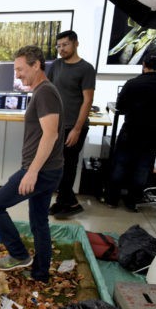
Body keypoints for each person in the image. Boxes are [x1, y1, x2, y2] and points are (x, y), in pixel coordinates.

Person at [0, 46, 64, 282]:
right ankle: (40, 273)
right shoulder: (41, 91)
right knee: (39, 221)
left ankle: (19, 255)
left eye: (20, 69)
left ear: (36, 65)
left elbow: (50, 135)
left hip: (41, 171)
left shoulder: (45, 92)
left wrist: (31, 172)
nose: (17, 75)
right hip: (47, 169)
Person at [105, 52, 156, 211]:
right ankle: (132, 202)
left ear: (144, 65)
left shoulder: (132, 84)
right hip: (154, 135)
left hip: (131, 132)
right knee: (143, 168)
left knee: (120, 165)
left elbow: (120, 106)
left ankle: (112, 200)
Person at [46, 30, 96, 219]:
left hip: (73, 127)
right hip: (56, 125)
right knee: (56, 165)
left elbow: (88, 100)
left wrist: (76, 129)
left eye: (65, 45)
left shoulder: (86, 68)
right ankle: (67, 202)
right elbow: (48, 90)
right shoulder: (56, 65)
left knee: (68, 167)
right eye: (58, 46)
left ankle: (67, 203)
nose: (61, 49)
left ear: (76, 44)